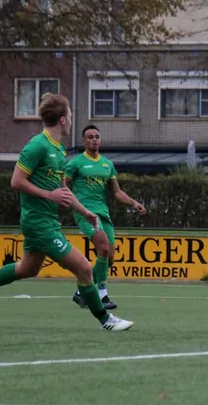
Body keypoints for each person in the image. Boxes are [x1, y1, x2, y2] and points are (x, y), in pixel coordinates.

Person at [0, 93, 134, 331]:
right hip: (38, 222)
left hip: (47, 220)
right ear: (63, 119)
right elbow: (16, 181)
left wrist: (84, 212)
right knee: (84, 268)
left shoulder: (59, 150)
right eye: (70, 115)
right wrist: (48, 195)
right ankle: (106, 319)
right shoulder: (37, 145)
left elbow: (62, 189)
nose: (72, 119)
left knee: (27, 269)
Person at [66, 125, 147, 310]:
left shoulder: (107, 164)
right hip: (85, 213)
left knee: (109, 257)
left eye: (97, 137)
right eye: (90, 137)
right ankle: (102, 295)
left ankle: (81, 293)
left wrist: (134, 203)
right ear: (84, 141)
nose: (94, 139)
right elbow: (62, 185)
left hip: (103, 213)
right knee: (102, 248)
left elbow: (116, 192)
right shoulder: (75, 163)